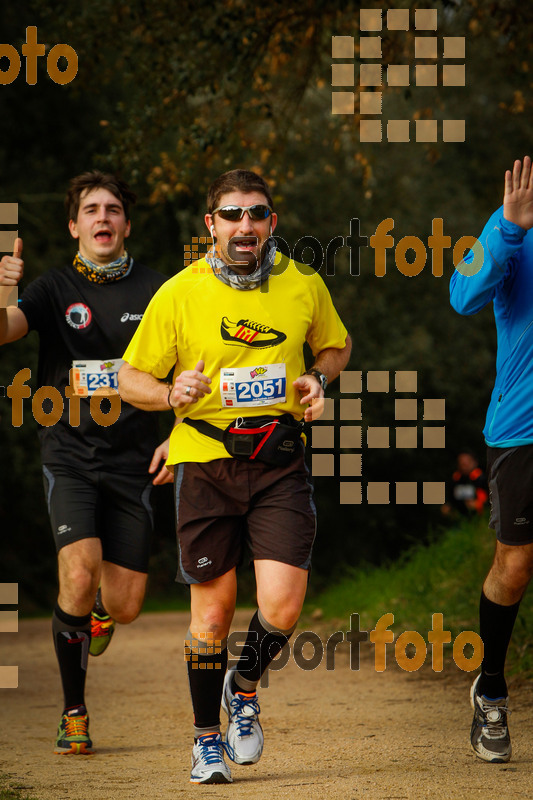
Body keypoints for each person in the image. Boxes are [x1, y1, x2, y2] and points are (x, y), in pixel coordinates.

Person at [119, 168, 351, 784]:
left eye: (256, 213)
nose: (244, 226)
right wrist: (171, 392)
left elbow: (336, 346)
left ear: (272, 221)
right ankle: (205, 742)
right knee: (212, 617)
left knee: (281, 605)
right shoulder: (179, 291)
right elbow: (127, 377)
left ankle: (242, 686)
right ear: (211, 225)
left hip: (278, 459)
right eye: (232, 215)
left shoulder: (303, 282)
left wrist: (318, 379)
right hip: (205, 464)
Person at [0, 171, 171, 755]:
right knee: (77, 569)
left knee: (124, 606)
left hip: (134, 460)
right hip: (69, 454)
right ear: (74, 225)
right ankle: (74, 710)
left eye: (113, 209)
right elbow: (6, 331)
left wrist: (181, 439)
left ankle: (99, 612)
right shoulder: (52, 288)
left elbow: (188, 371)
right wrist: (3, 291)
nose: (103, 218)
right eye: (91, 210)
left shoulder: (159, 291)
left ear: (127, 223)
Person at [450, 156, 533, 763]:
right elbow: (462, 296)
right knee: (517, 565)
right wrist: (508, 227)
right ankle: (493, 689)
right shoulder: (512, 223)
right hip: (521, 428)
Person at [441, 450, 489, 518]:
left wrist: (478, 504)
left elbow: (491, 500)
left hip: (480, 517)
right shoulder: (455, 479)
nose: (464, 465)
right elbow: (450, 498)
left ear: (475, 462)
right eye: (461, 463)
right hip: (459, 517)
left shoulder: (483, 479)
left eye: (467, 462)